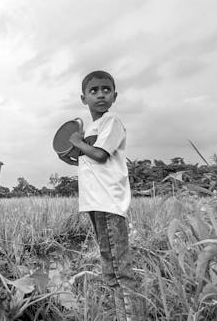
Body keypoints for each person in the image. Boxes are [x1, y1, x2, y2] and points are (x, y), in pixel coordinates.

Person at [60, 70, 138, 321]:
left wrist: (79, 143)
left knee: (117, 267)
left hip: (109, 201)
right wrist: (73, 152)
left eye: (106, 90)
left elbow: (101, 155)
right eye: (93, 91)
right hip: (95, 203)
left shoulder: (111, 121)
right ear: (83, 98)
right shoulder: (91, 129)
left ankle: (128, 316)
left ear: (115, 96)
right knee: (109, 263)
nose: (100, 95)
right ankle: (121, 313)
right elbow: (88, 161)